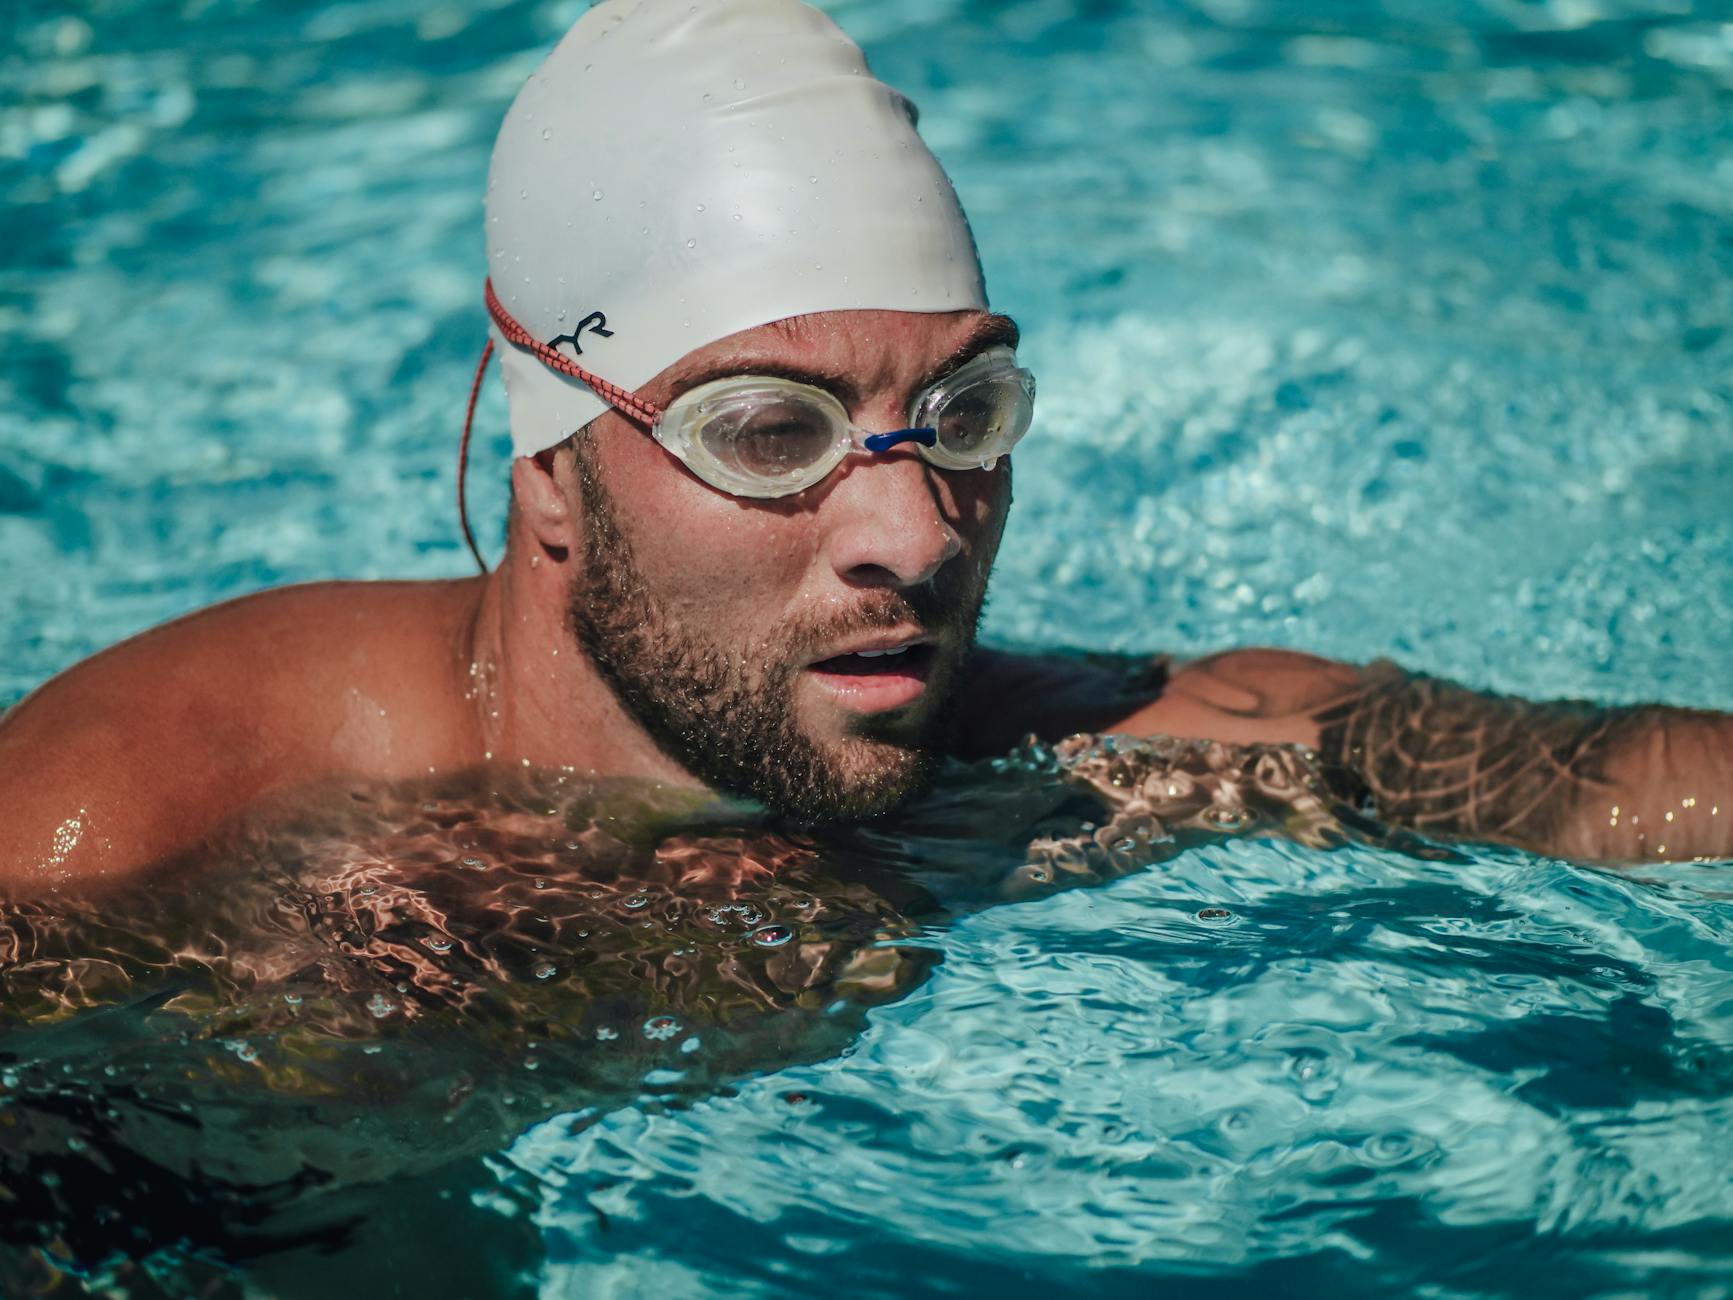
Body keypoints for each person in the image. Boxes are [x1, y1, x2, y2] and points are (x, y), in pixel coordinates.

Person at [0, 0, 1726, 893]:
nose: (912, 527)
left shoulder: (1023, 763)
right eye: (771, 432)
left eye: (961, 412)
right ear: (553, 478)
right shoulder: (143, 823)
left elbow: (1599, 783)